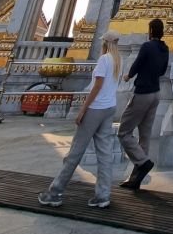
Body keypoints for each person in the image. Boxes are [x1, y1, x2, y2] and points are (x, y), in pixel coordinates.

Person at [38, 30, 121, 209]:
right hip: (110, 107)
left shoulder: (104, 59)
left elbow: (97, 86)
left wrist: (83, 109)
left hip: (96, 108)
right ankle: (103, 195)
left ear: (105, 43)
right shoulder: (118, 61)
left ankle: (55, 192)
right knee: (105, 153)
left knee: (75, 151)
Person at [117, 17, 169, 190]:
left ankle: (143, 161)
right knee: (144, 136)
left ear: (151, 31)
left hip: (143, 93)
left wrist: (128, 76)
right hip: (156, 93)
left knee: (124, 132)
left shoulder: (147, 46)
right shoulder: (165, 48)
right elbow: (162, 71)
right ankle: (136, 178)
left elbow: (137, 64)